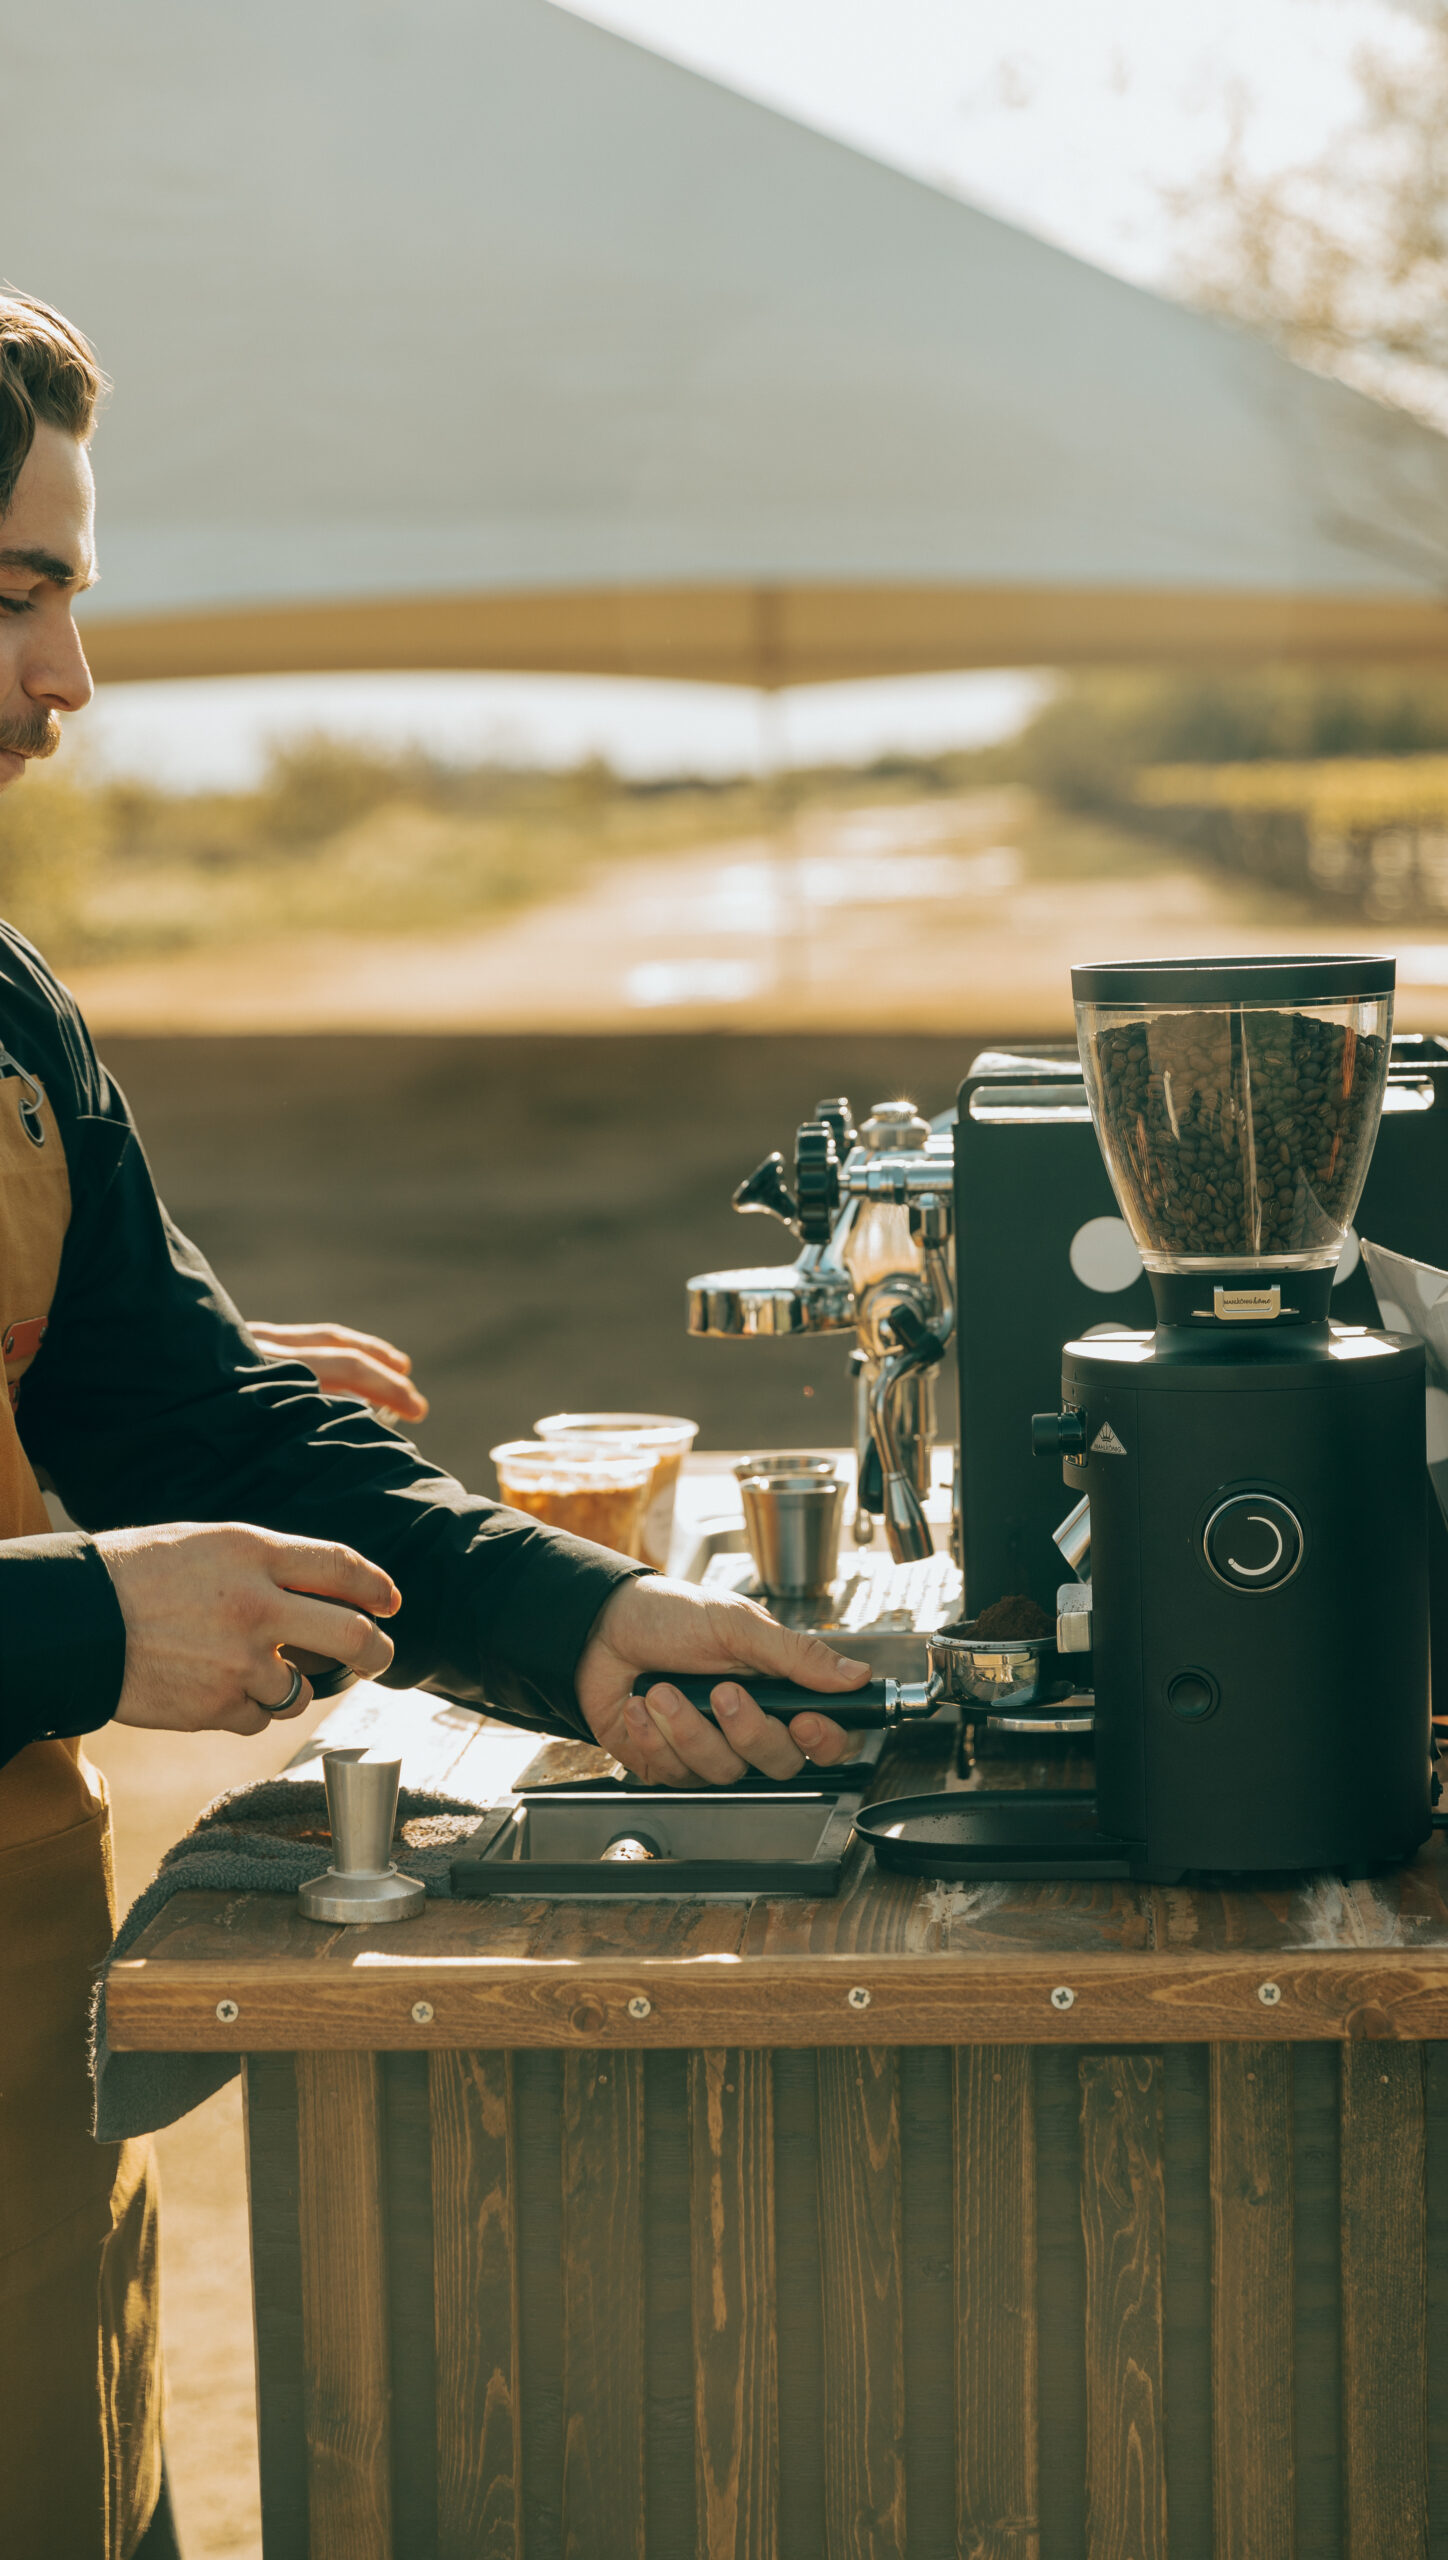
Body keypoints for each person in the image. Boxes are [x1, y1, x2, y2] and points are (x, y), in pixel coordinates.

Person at [0, 292, 864, 2560]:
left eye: (71, 593)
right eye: (14, 594)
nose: (69, 682)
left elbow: (191, 1407)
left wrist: (580, 1621)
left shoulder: (4, 1011)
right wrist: (77, 1635)